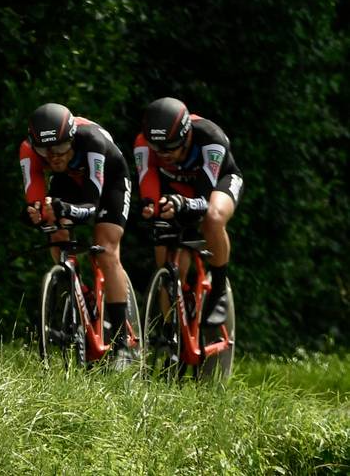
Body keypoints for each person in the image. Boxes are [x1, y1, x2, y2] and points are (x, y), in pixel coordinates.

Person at [20, 102, 135, 350]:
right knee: (54, 224)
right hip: (68, 182)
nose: (54, 156)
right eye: (45, 150)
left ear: (72, 139)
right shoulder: (28, 151)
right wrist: (35, 213)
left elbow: (92, 206)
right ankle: (73, 286)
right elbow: (35, 201)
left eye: (61, 147)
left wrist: (68, 210)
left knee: (106, 248)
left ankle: (122, 344)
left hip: (109, 182)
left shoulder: (91, 140)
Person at [134, 97, 241, 326]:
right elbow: (148, 186)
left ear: (187, 135)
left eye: (171, 147)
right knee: (168, 264)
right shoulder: (143, 143)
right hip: (176, 189)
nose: (164, 154)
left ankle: (219, 288)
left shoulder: (211, 138)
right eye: (157, 148)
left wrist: (183, 205)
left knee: (213, 218)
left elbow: (203, 200)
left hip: (216, 183)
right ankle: (173, 334)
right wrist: (151, 206)